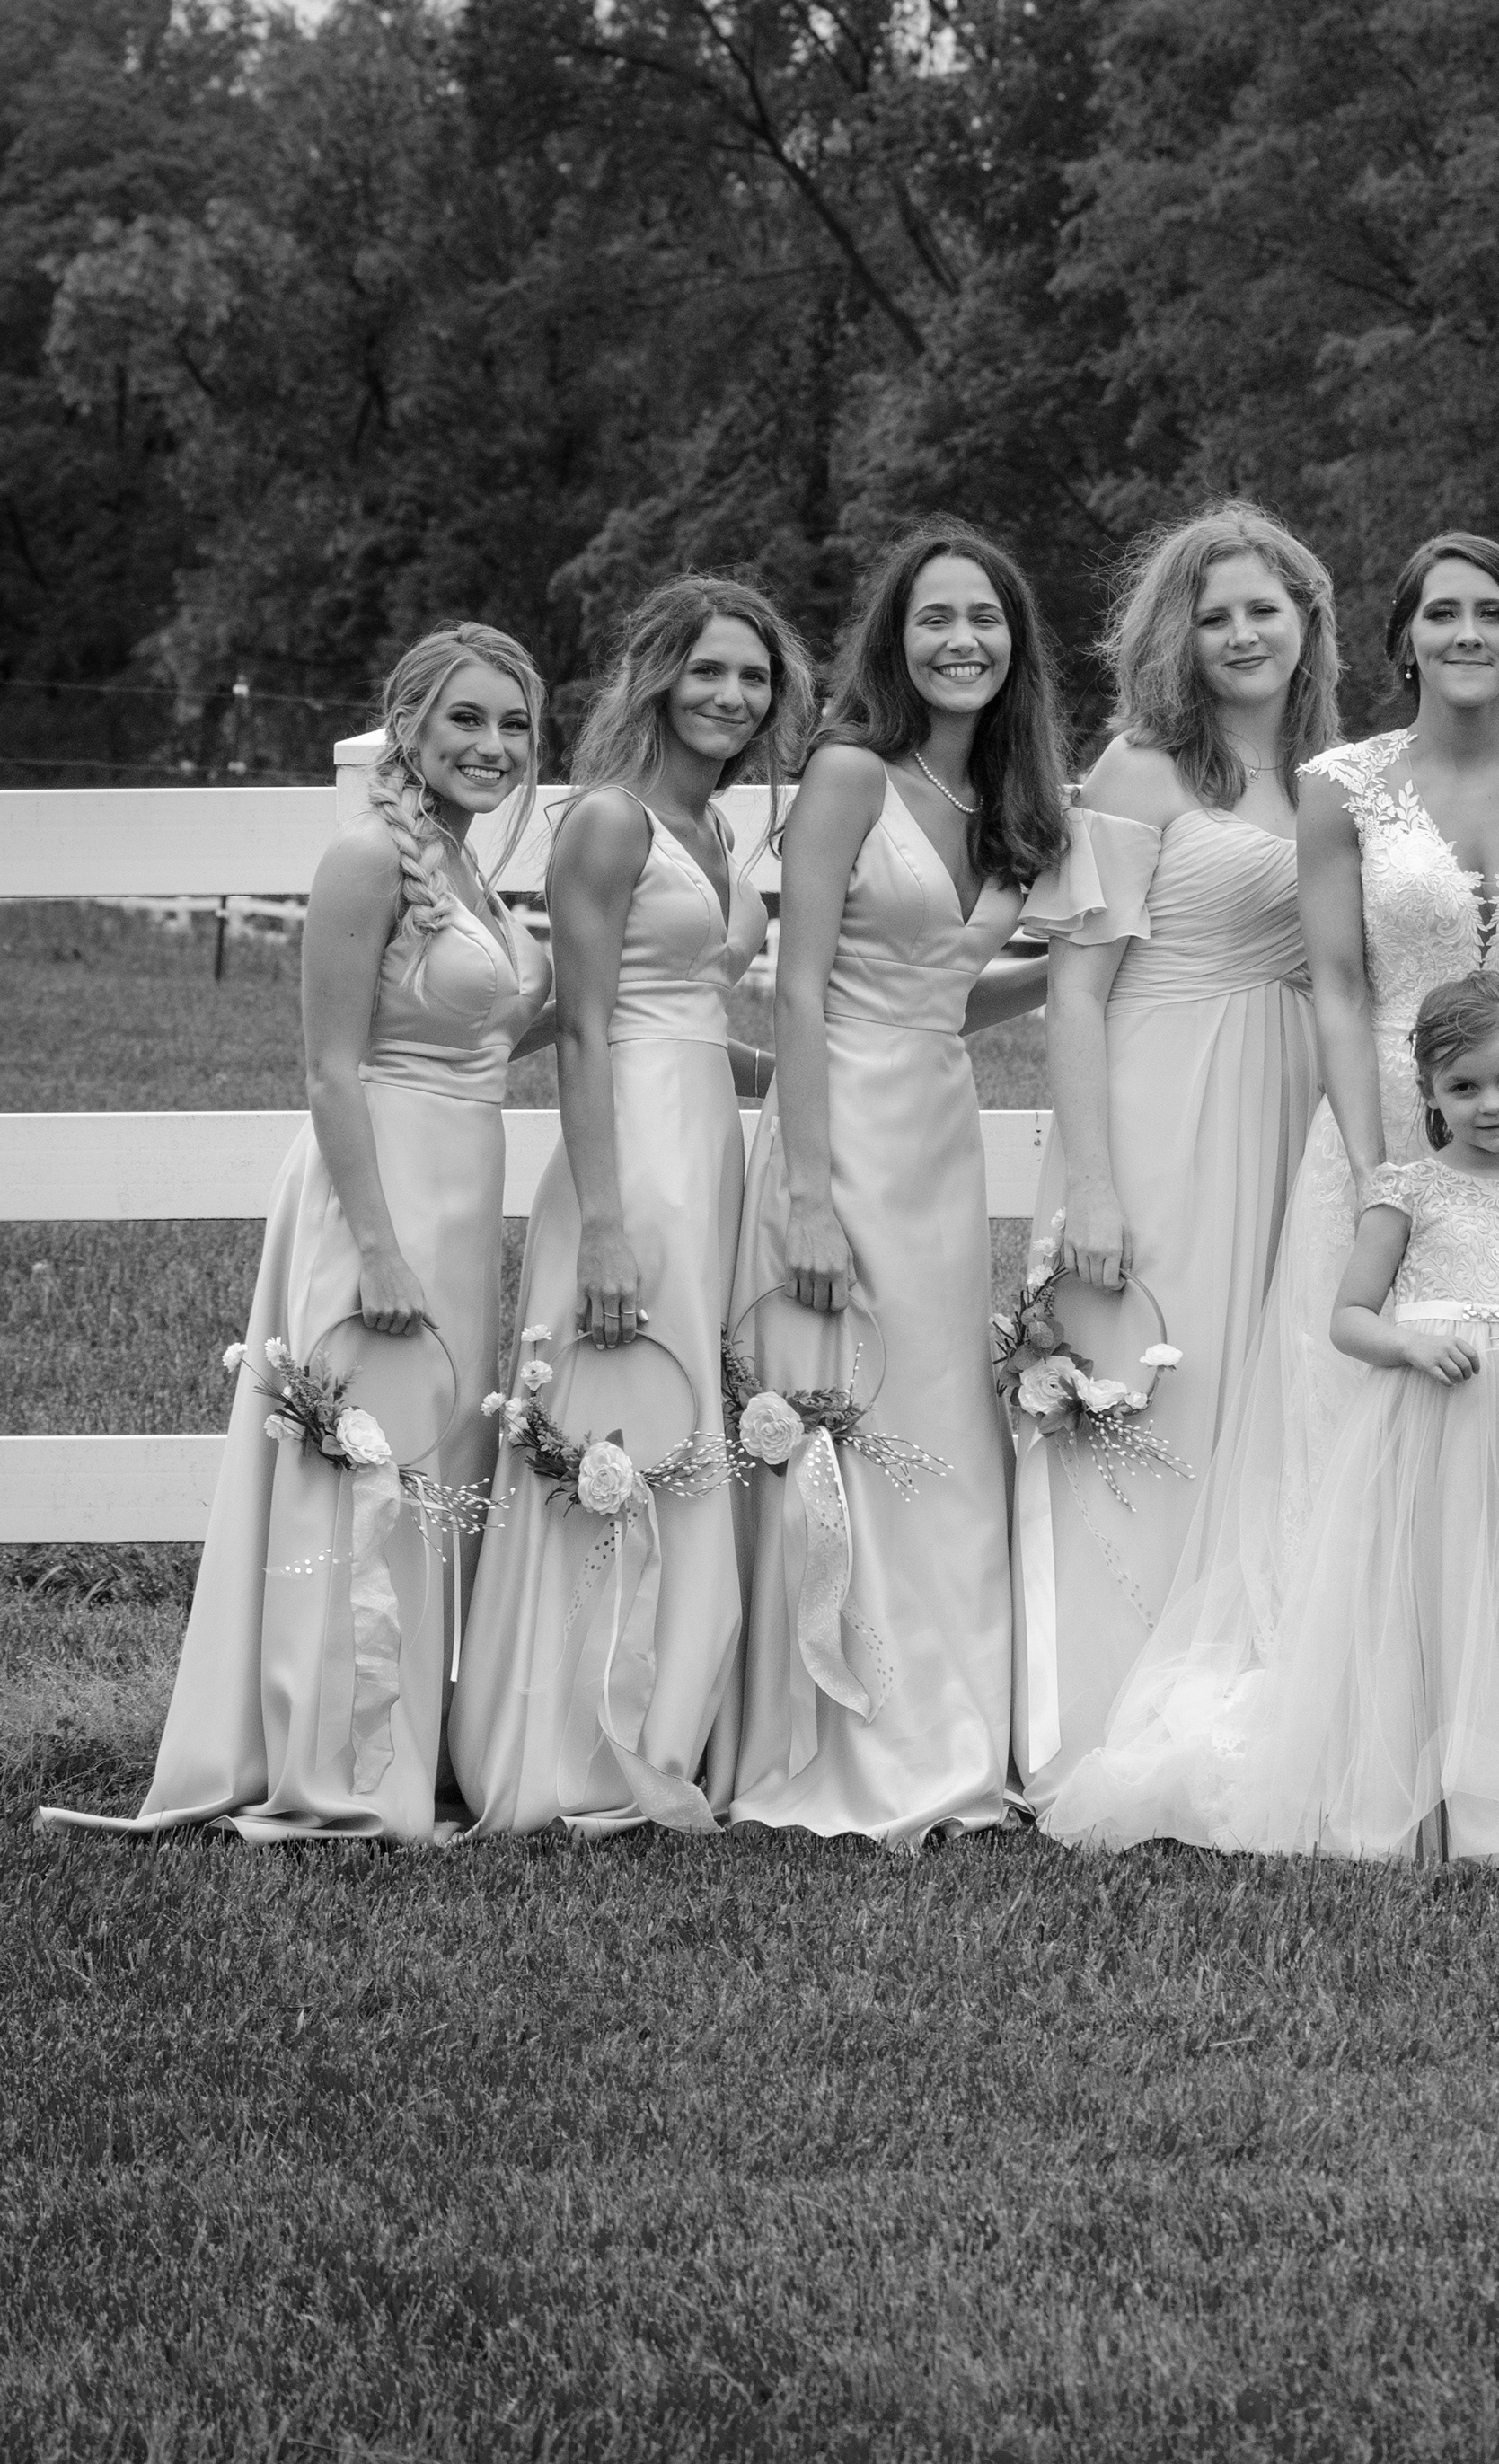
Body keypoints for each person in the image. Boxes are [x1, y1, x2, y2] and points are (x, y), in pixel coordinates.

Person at [1042, 529, 1499, 1844]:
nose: (1466, 635)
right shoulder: (1305, 779)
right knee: (1324, 1407)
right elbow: (1327, 982)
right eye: (1216, 614)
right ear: (1401, 637)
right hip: (1352, 1116)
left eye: (1493, 612)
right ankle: (1344, 1706)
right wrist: (1375, 1162)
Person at [1045, 976, 1499, 1864]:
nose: (1490, 1103)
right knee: (1434, 1595)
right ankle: (1421, 1782)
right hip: (1431, 1427)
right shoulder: (1406, 1193)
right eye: (1462, 1086)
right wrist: (1410, 1345)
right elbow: (1348, 1317)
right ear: (1427, 1092)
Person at [40, 626, 554, 1843]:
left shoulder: (468, 866)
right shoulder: (367, 857)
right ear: (408, 726)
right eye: (466, 718)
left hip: (458, 1199)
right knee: (356, 1473)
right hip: (374, 1194)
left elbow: (479, 1034)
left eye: (514, 724)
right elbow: (330, 1070)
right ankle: (336, 1775)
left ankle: (395, 1747)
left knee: (424, 1471)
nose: (492, 745)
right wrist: (376, 1247)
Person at [726, 522, 1061, 1850]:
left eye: (984, 617)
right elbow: (801, 990)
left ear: (1015, 640)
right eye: (934, 618)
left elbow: (942, 995)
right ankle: (851, 1734)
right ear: (894, 638)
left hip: (937, 1129)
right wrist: (808, 1196)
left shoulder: (1009, 797)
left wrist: (1088, 970)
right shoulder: (850, 772)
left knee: (944, 1426)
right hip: (840, 1131)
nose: (961, 640)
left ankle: (958, 1723)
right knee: (845, 1413)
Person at [453, 578, 798, 1836]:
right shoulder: (608, 819)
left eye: (753, 677)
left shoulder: (712, 826)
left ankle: (665, 1722)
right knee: (611, 1411)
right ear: (657, 675)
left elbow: (687, 1015)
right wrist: (602, 1221)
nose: (732, 696)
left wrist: (809, 1076)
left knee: (686, 1415)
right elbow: (588, 1029)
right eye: (708, 670)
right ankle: (564, 1750)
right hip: (630, 1162)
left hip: (702, 1145)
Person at [1016, 506, 1336, 1795]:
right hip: (1160, 1104)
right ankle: (1104, 1709)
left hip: (1292, 1100)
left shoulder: (1335, 773)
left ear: (1308, 618)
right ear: (1177, 637)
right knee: (1162, 1380)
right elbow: (1075, 989)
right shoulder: (1141, 768)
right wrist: (1092, 1185)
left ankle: (1252, 1685)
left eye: (1264, 608)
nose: (1242, 634)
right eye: (1214, 616)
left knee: (1272, 1387)